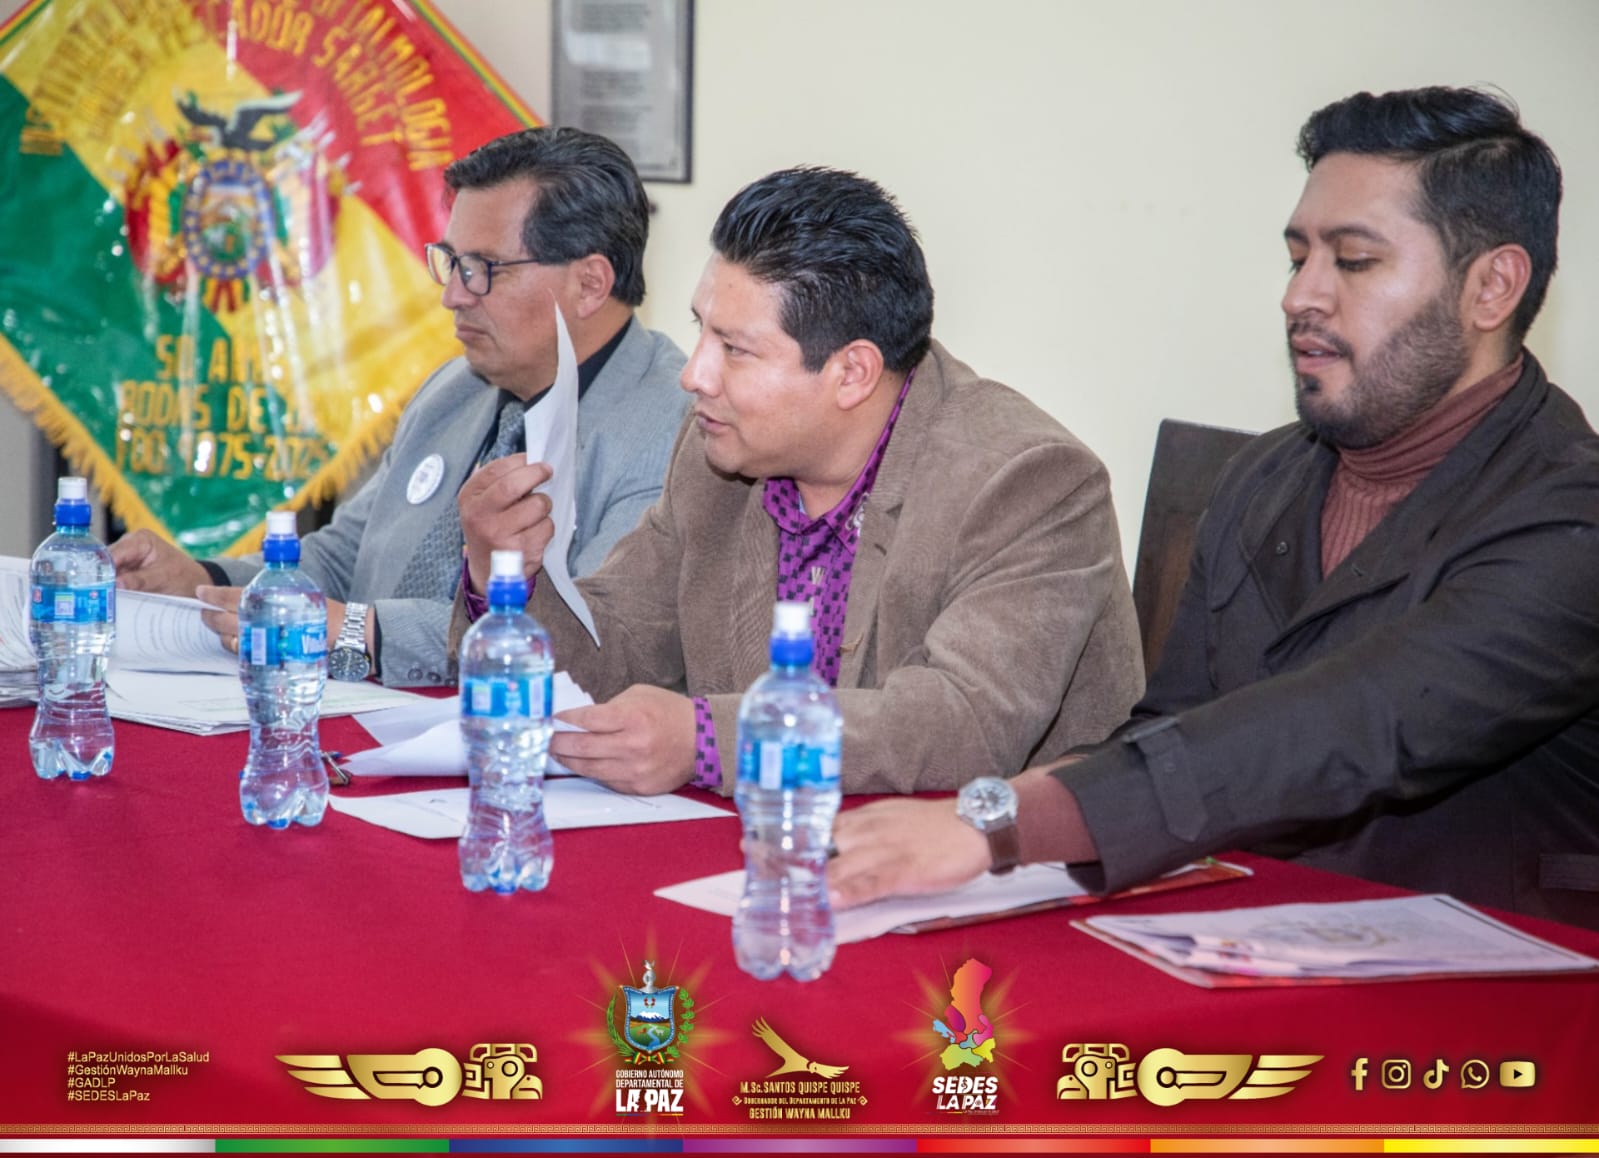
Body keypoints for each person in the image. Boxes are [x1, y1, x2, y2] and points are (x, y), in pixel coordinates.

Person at [830, 86, 1599, 931]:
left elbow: (1359, 719)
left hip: (1498, 982)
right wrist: (975, 818)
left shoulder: (1573, 512)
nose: (1300, 296)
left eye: (1352, 260)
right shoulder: (1264, 475)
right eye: (1297, 258)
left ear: (1490, 287)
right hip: (1241, 948)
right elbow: (1170, 728)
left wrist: (1001, 823)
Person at [464, 165, 1144, 796]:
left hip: (986, 862)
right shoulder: (718, 456)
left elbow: (964, 723)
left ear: (852, 373)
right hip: (769, 842)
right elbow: (620, 652)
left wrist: (711, 741)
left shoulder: (1028, 482)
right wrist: (507, 578)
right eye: (701, 332)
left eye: (735, 350)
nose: (694, 375)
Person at [111, 127, 689, 686]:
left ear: (590, 284)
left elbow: (588, 639)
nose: (452, 295)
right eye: (451, 262)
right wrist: (202, 580)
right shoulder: (454, 388)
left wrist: (362, 633)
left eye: (481, 270)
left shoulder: (670, 429)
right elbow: (345, 558)